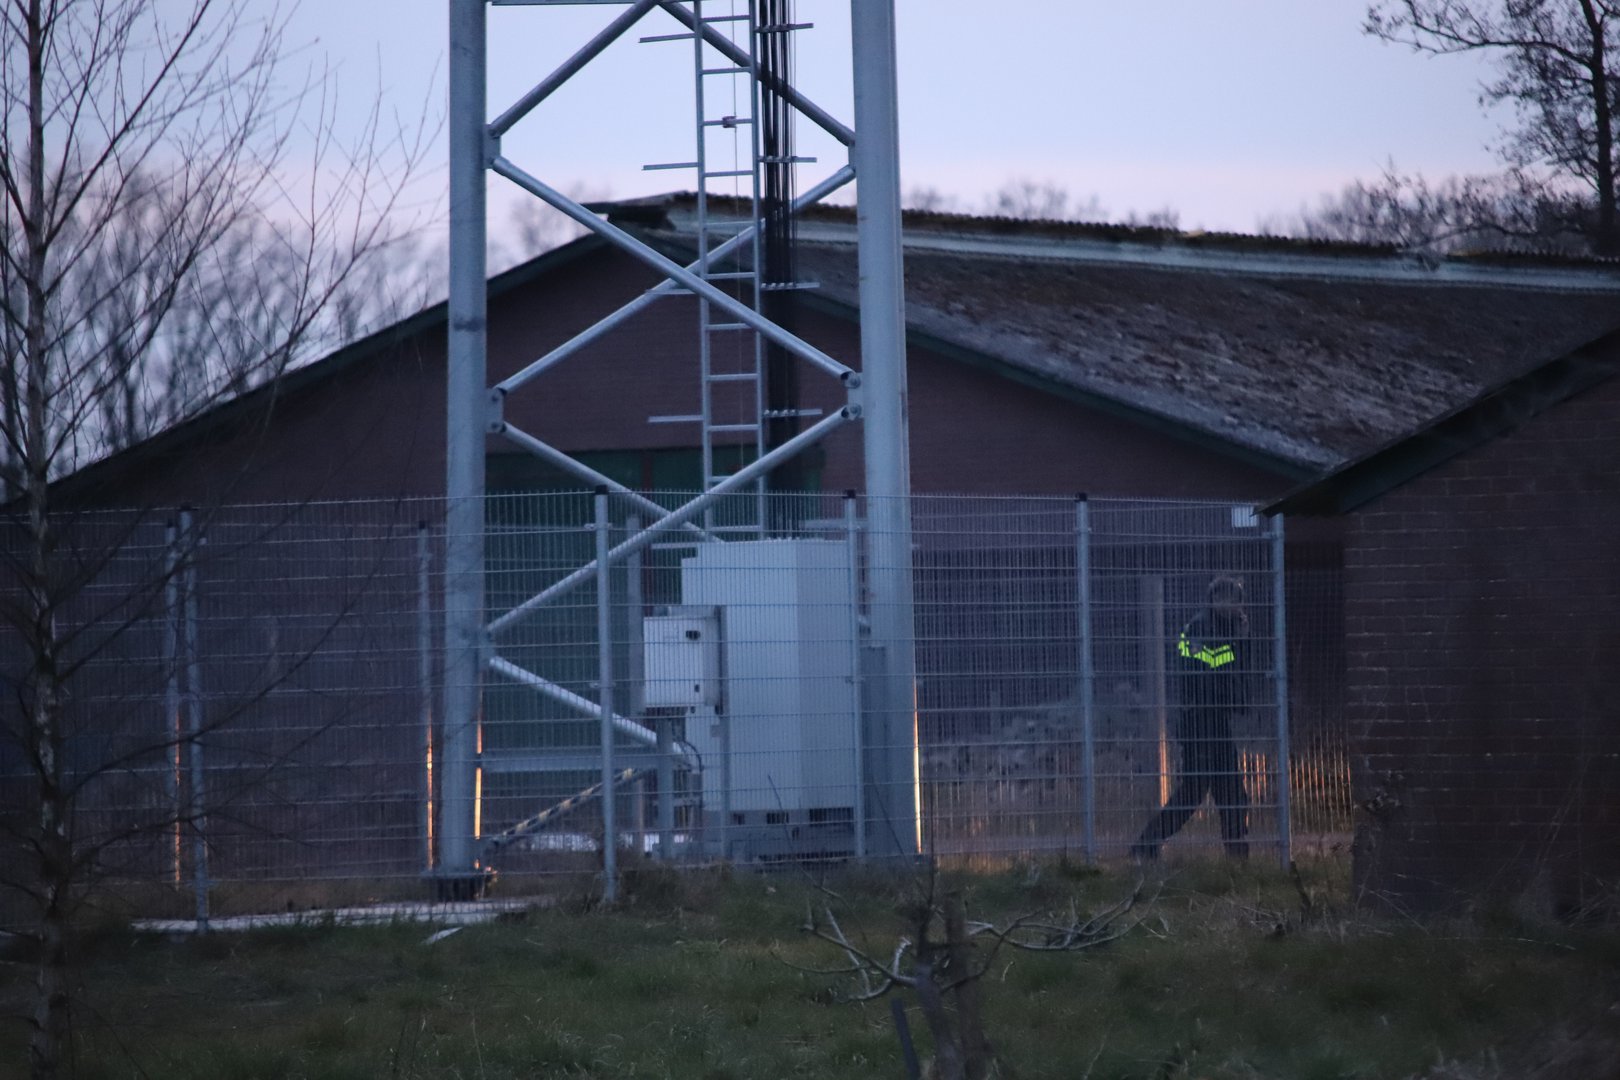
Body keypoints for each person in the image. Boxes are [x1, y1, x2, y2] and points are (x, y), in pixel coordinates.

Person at [1131, 575, 1251, 859]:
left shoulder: (1225, 628)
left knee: (1232, 793)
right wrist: (1232, 695)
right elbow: (1205, 674)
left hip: (1216, 721)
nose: (1237, 606)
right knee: (1194, 792)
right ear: (1216, 600)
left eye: (1238, 601)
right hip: (1199, 721)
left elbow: (1234, 670)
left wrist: (1241, 639)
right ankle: (1146, 846)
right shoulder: (1200, 628)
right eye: (1233, 600)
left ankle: (1238, 859)